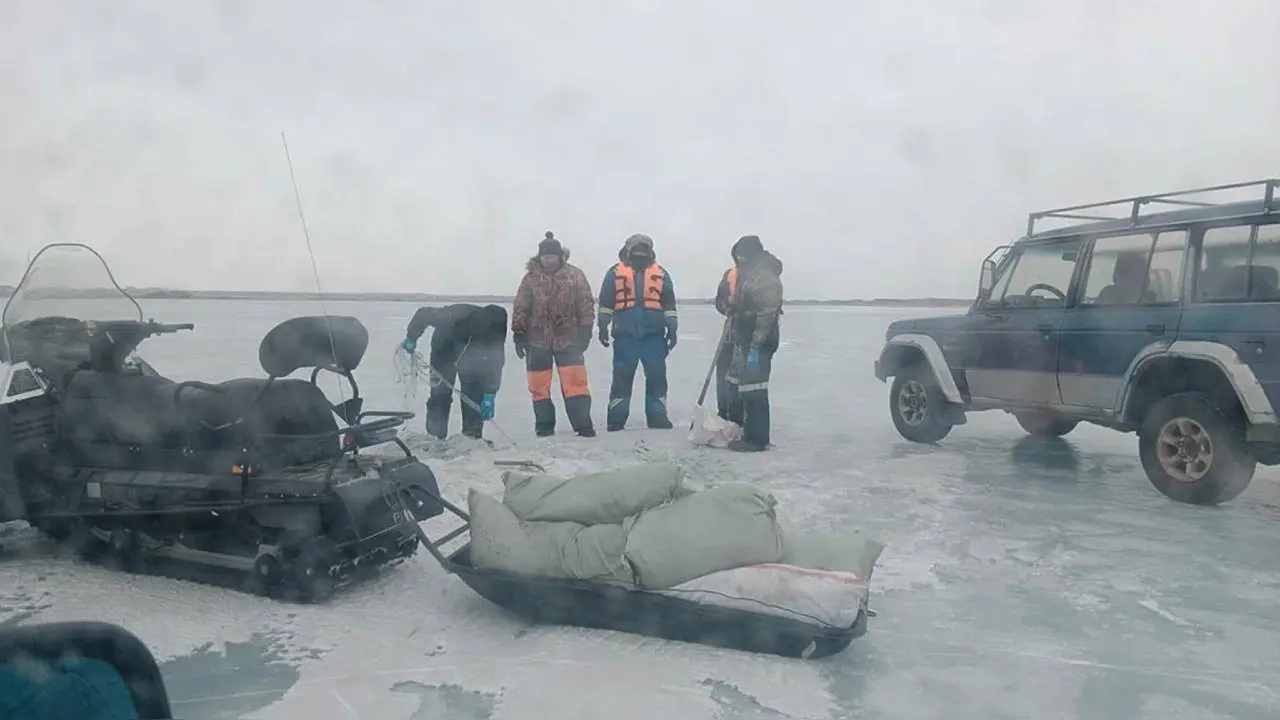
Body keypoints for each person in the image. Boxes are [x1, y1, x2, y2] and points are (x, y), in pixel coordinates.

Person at [511, 231, 597, 437]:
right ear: (540, 257)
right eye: (545, 256)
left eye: (552, 256)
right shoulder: (530, 279)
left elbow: (585, 304)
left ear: (560, 256)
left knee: (576, 385)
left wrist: (586, 329)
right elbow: (521, 306)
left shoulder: (575, 275)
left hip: (569, 339)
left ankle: (583, 425)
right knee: (538, 387)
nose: (548, 260)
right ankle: (544, 426)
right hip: (537, 341)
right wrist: (519, 333)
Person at [597, 234, 678, 431]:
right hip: (625, 336)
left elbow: (668, 303)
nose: (640, 256)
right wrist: (602, 326)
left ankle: (657, 416)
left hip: (654, 336)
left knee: (657, 376)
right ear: (628, 251)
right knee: (622, 377)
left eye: (644, 252)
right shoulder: (614, 273)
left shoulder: (661, 274)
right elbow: (606, 302)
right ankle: (616, 419)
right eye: (637, 251)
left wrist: (673, 328)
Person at [401, 303, 508, 440]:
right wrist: (411, 337)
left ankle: (472, 438)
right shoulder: (452, 316)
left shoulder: (496, 330)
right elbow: (423, 314)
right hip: (444, 350)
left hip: (471, 357)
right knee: (440, 393)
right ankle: (435, 437)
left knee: (473, 396)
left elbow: (495, 361)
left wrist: (490, 394)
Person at [722, 235, 783, 452]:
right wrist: (734, 307)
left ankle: (757, 439)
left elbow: (767, 313)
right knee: (741, 384)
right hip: (746, 336)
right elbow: (747, 303)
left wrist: (756, 345)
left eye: (742, 256)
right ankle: (744, 430)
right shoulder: (753, 274)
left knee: (755, 387)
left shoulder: (765, 277)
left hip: (759, 339)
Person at [713, 252, 742, 421]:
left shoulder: (760, 277)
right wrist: (726, 308)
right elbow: (720, 299)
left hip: (750, 330)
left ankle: (740, 414)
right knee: (723, 367)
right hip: (731, 328)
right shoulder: (730, 274)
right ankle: (723, 411)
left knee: (742, 372)